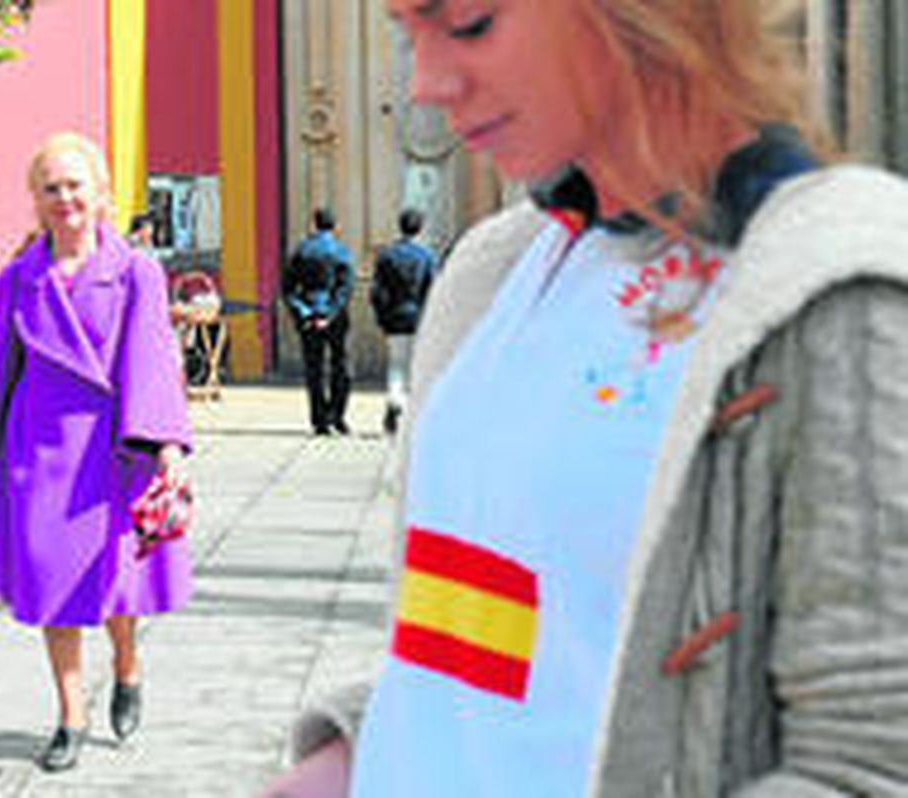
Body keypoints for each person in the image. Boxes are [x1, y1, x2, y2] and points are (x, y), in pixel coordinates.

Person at [266, 0, 908, 795]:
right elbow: (496, 642)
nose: (426, 83)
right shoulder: (489, 273)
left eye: (469, 24)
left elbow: (869, 764)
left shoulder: (843, 295)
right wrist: (351, 759)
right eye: (406, 32)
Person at [0, 132, 193, 773]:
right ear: (36, 201)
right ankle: (70, 713)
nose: (65, 198)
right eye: (51, 188)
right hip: (39, 451)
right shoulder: (18, 279)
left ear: (100, 194)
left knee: (113, 582)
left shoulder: (136, 271)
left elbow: (151, 357)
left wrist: (167, 444)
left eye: (75, 185)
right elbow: (7, 368)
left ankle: (126, 666)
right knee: (49, 583)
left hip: (117, 447)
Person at [368, 207, 439, 436]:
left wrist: (382, 317)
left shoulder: (387, 255)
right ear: (420, 229)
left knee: (397, 364)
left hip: (394, 319)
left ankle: (395, 401)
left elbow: (377, 292)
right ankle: (410, 412)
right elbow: (432, 290)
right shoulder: (426, 256)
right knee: (416, 367)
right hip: (418, 319)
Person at [282, 207, 353, 435]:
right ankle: (337, 415)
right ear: (334, 226)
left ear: (314, 224)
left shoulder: (302, 251)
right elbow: (345, 289)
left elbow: (288, 289)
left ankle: (319, 420)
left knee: (314, 369)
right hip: (335, 317)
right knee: (340, 366)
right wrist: (330, 314)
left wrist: (305, 313)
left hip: (309, 315)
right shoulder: (342, 252)